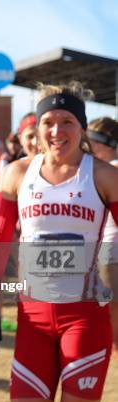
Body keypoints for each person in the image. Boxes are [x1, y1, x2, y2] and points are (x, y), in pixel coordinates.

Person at [0, 82, 118, 402]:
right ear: (38, 126)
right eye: (48, 122)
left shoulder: (103, 176)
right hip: (32, 319)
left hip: (85, 319)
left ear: (82, 127)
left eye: (67, 121)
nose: (57, 131)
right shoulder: (16, 174)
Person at [88, 116, 118, 359]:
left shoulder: (110, 170)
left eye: (90, 140)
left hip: (111, 248)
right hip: (107, 247)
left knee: (110, 309)